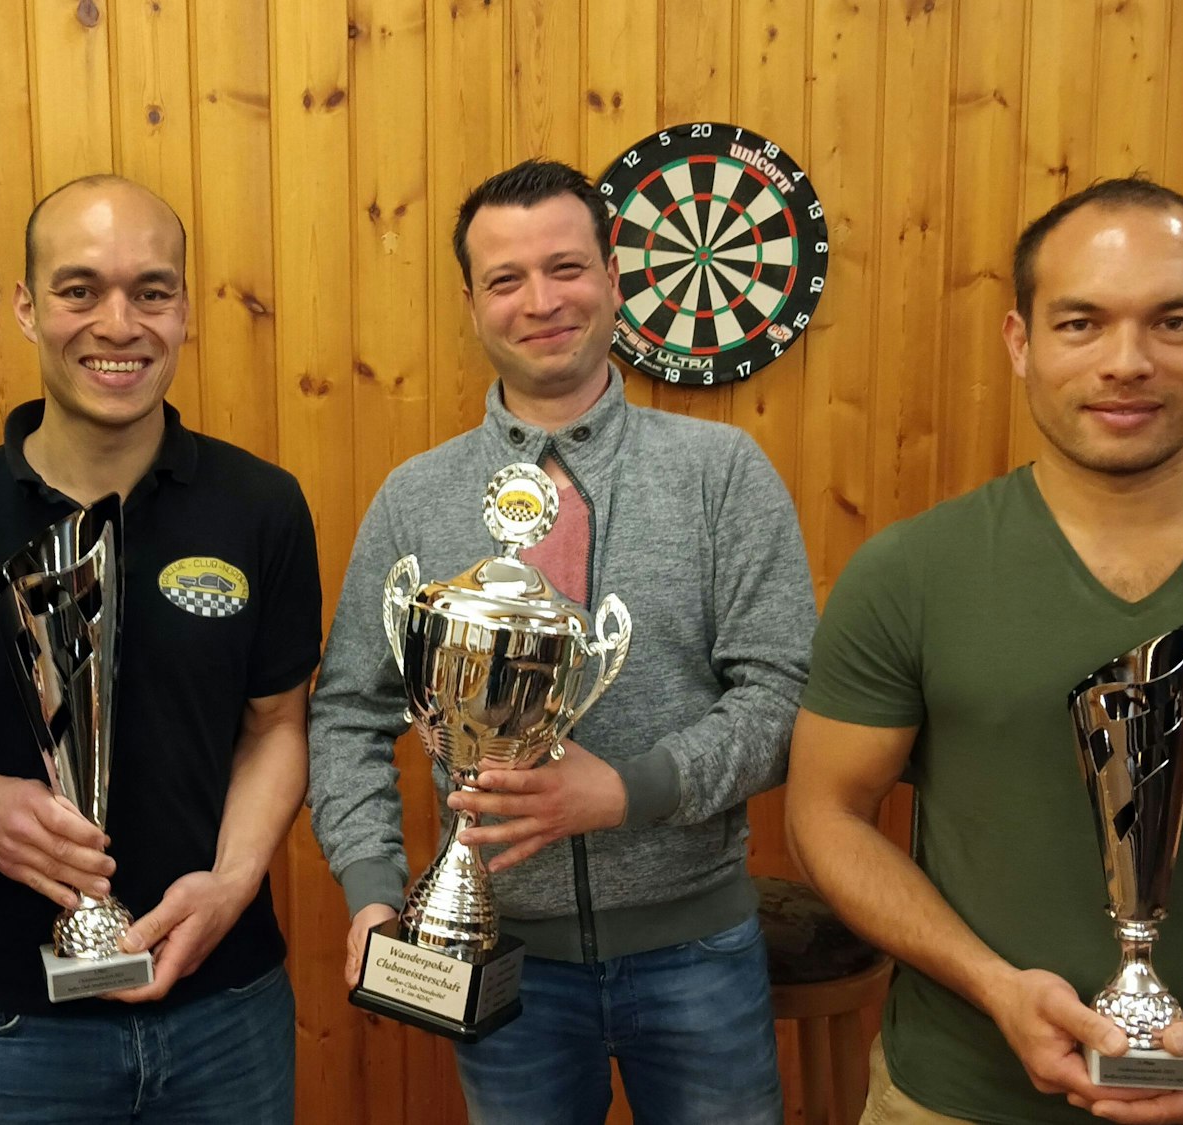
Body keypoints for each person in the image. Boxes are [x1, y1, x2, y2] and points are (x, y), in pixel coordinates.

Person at [786, 176, 1183, 1125]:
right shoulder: (912, 571)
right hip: (951, 1099)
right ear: (1021, 342)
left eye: (1172, 322)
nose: (1127, 362)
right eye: (1081, 323)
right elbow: (824, 814)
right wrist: (995, 985)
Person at [307, 158, 816, 1124]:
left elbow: (782, 695)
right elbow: (348, 713)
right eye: (506, 279)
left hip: (696, 952)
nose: (540, 301)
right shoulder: (417, 497)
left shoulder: (720, 473)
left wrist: (626, 792)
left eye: (566, 267)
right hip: (500, 959)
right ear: (472, 303)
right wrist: (373, 889)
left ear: (614, 278)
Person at [0, 175, 321, 1125]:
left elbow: (279, 725)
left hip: (228, 1003)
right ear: (28, 310)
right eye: (80, 290)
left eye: (151, 291)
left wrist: (235, 881)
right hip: (18, 1020)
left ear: (186, 312)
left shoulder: (261, 506)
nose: (118, 324)